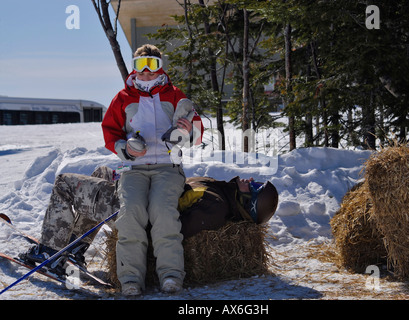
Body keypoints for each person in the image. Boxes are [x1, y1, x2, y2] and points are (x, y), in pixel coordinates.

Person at [20, 167, 279, 293]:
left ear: (249, 204)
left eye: (254, 187)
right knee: (101, 172)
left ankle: (51, 253)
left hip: (133, 211)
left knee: (65, 183)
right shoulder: (221, 190)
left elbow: (170, 227)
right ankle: (74, 250)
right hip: (144, 193)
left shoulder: (215, 207)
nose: (250, 180)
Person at [101, 43, 204, 296]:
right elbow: (110, 133)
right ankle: (130, 280)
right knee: (131, 213)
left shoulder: (175, 95)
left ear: (161, 68)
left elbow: (198, 134)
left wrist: (188, 132)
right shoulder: (123, 98)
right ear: (134, 69)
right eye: (140, 66)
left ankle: (170, 275)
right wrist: (126, 148)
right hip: (133, 168)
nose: (146, 72)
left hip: (167, 167)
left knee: (162, 211)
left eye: (152, 65)